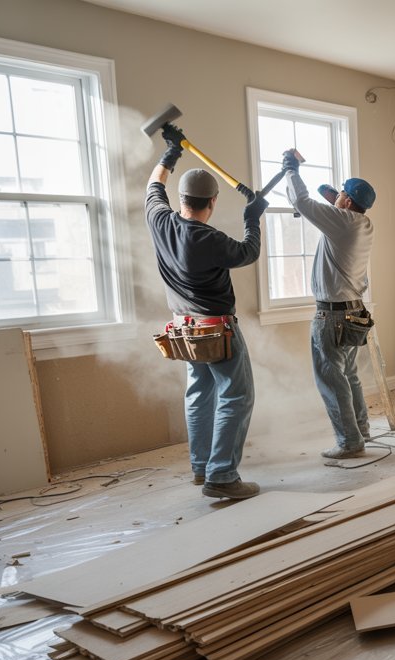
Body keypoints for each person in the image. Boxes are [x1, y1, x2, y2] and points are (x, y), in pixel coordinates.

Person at [146, 127, 268, 500]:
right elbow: (248, 252)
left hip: (183, 329)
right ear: (212, 202)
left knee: (199, 393)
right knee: (236, 396)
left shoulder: (160, 221)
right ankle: (222, 476)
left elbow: (154, 186)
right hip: (217, 331)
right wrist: (253, 217)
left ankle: (201, 468)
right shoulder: (209, 239)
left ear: (182, 198)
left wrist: (170, 153)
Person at [281, 149, 377, 460]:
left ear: (348, 202)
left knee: (331, 379)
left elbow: (301, 202)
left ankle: (349, 442)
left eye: (342, 195)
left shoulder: (342, 221)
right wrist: (336, 197)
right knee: (348, 375)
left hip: (332, 316)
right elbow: (336, 207)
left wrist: (291, 168)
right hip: (353, 312)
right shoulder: (362, 223)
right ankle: (361, 430)